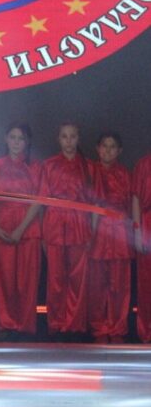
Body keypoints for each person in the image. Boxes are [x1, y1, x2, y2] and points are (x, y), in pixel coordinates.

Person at [0, 123, 41, 340]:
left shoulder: (35, 167)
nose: (16, 142)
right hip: (3, 224)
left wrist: (21, 229)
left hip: (28, 226)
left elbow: (38, 200)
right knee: (5, 279)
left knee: (27, 279)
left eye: (21, 138)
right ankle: (6, 325)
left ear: (27, 142)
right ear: (6, 139)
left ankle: (25, 327)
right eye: (13, 137)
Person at [38, 122, 92, 340]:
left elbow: (93, 202)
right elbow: (43, 200)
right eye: (64, 136)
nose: (68, 141)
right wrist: (43, 233)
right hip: (55, 222)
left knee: (78, 277)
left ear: (78, 139)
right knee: (56, 278)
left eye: (72, 136)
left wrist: (91, 231)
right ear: (58, 139)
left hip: (79, 222)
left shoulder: (88, 166)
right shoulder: (49, 165)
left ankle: (75, 325)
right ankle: (57, 324)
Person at [87, 132, 132, 344]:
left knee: (119, 283)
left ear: (119, 150)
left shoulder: (125, 173)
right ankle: (99, 326)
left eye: (112, 146)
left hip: (120, 231)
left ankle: (117, 327)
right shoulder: (90, 170)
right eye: (104, 146)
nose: (108, 150)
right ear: (98, 148)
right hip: (98, 229)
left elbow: (130, 205)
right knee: (97, 282)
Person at [133, 152, 151, 343]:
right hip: (148, 223)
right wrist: (137, 231)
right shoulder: (143, 164)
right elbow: (136, 199)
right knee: (146, 281)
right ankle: (147, 331)